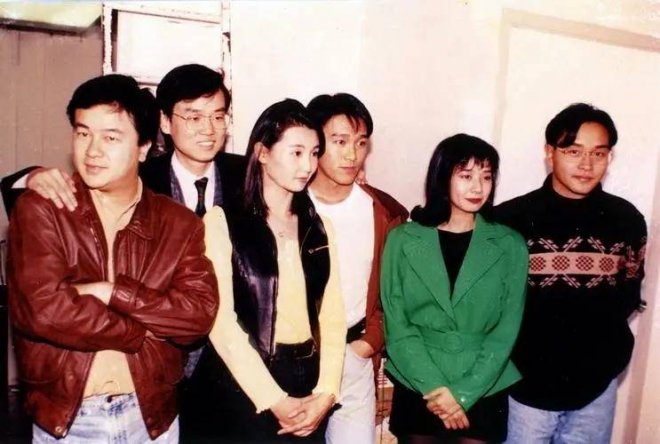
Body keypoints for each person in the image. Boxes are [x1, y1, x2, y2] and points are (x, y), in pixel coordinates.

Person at [7, 74, 219, 442]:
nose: (92, 151)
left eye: (110, 138)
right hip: (70, 421)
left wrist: (110, 291)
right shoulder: (43, 208)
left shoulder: (178, 223)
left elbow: (197, 315)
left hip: (152, 419)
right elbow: (42, 310)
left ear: (143, 147)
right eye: (82, 133)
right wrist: (138, 330)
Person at [183, 99, 347, 443]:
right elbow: (221, 322)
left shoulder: (319, 227)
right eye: (296, 152)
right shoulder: (222, 222)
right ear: (262, 153)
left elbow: (332, 316)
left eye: (314, 153)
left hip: (308, 377)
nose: (308, 165)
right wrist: (273, 398)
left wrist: (327, 392)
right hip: (243, 382)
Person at [495, 103, 647, 444]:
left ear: (610, 157)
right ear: (550, 153)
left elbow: (627, 296)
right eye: (573, 151)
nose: (586, 164)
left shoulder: (626, 220)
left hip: (596, 390)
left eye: (598, 153)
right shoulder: (509, 220)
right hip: (523, 388)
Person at [380, 134, 528, 444]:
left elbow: (506, 331)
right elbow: (397, 323)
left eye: (486, 176)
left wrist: (461, 395)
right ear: (442, 177)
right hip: (418, 379)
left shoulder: (509, 244)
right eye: (466, 176)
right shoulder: (402, 239)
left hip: (484, 384)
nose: (478, 187)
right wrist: (435, 388)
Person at [305, 93, 408, 443]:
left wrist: (370, 342)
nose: (352, 154)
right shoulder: (290, 204)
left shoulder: (385, 212)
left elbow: (395, 292)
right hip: (299, 358)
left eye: (361, 143)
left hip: (354, 355)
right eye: (339, 142)